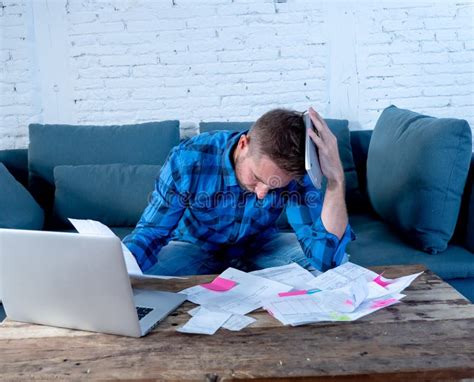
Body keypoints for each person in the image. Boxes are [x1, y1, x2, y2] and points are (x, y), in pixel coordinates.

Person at [123, 107, 355, 276]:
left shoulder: (294, 174)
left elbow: (325, 258)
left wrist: (335, 179)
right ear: (243, 144)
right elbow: (151, 234)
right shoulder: (187, 160)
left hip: (260, 247)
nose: (263, 193)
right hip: (193, 247)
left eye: (275, 186)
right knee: (136, 277)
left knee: (335, 269)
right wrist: (117, 272)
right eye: (256, 178)